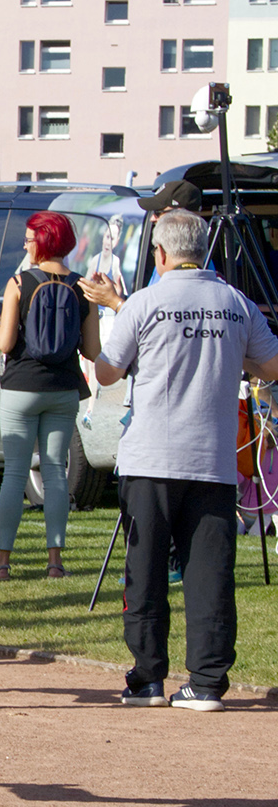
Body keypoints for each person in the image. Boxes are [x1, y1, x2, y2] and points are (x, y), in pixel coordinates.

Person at [82, 211, 278, 710]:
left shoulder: (145, 302)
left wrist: (96, 354)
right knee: (210, 573)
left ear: (161, 255)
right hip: (213, 460)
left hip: (151, 457)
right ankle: (208, 681)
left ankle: (147, 677)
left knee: (144, 570)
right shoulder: (235, 302)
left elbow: (107, 373)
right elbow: (272, 364)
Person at [0, 211, 97, 579]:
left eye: (29, 237)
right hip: (64, 389)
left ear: (44, 240)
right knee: (54, 472)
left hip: (22, 386)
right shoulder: (83, 288)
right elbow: (93, 351)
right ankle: (55, 561)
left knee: (15, 473)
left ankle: (3, 562)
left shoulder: (19, 282)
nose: (25, 243)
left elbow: (5, 343)